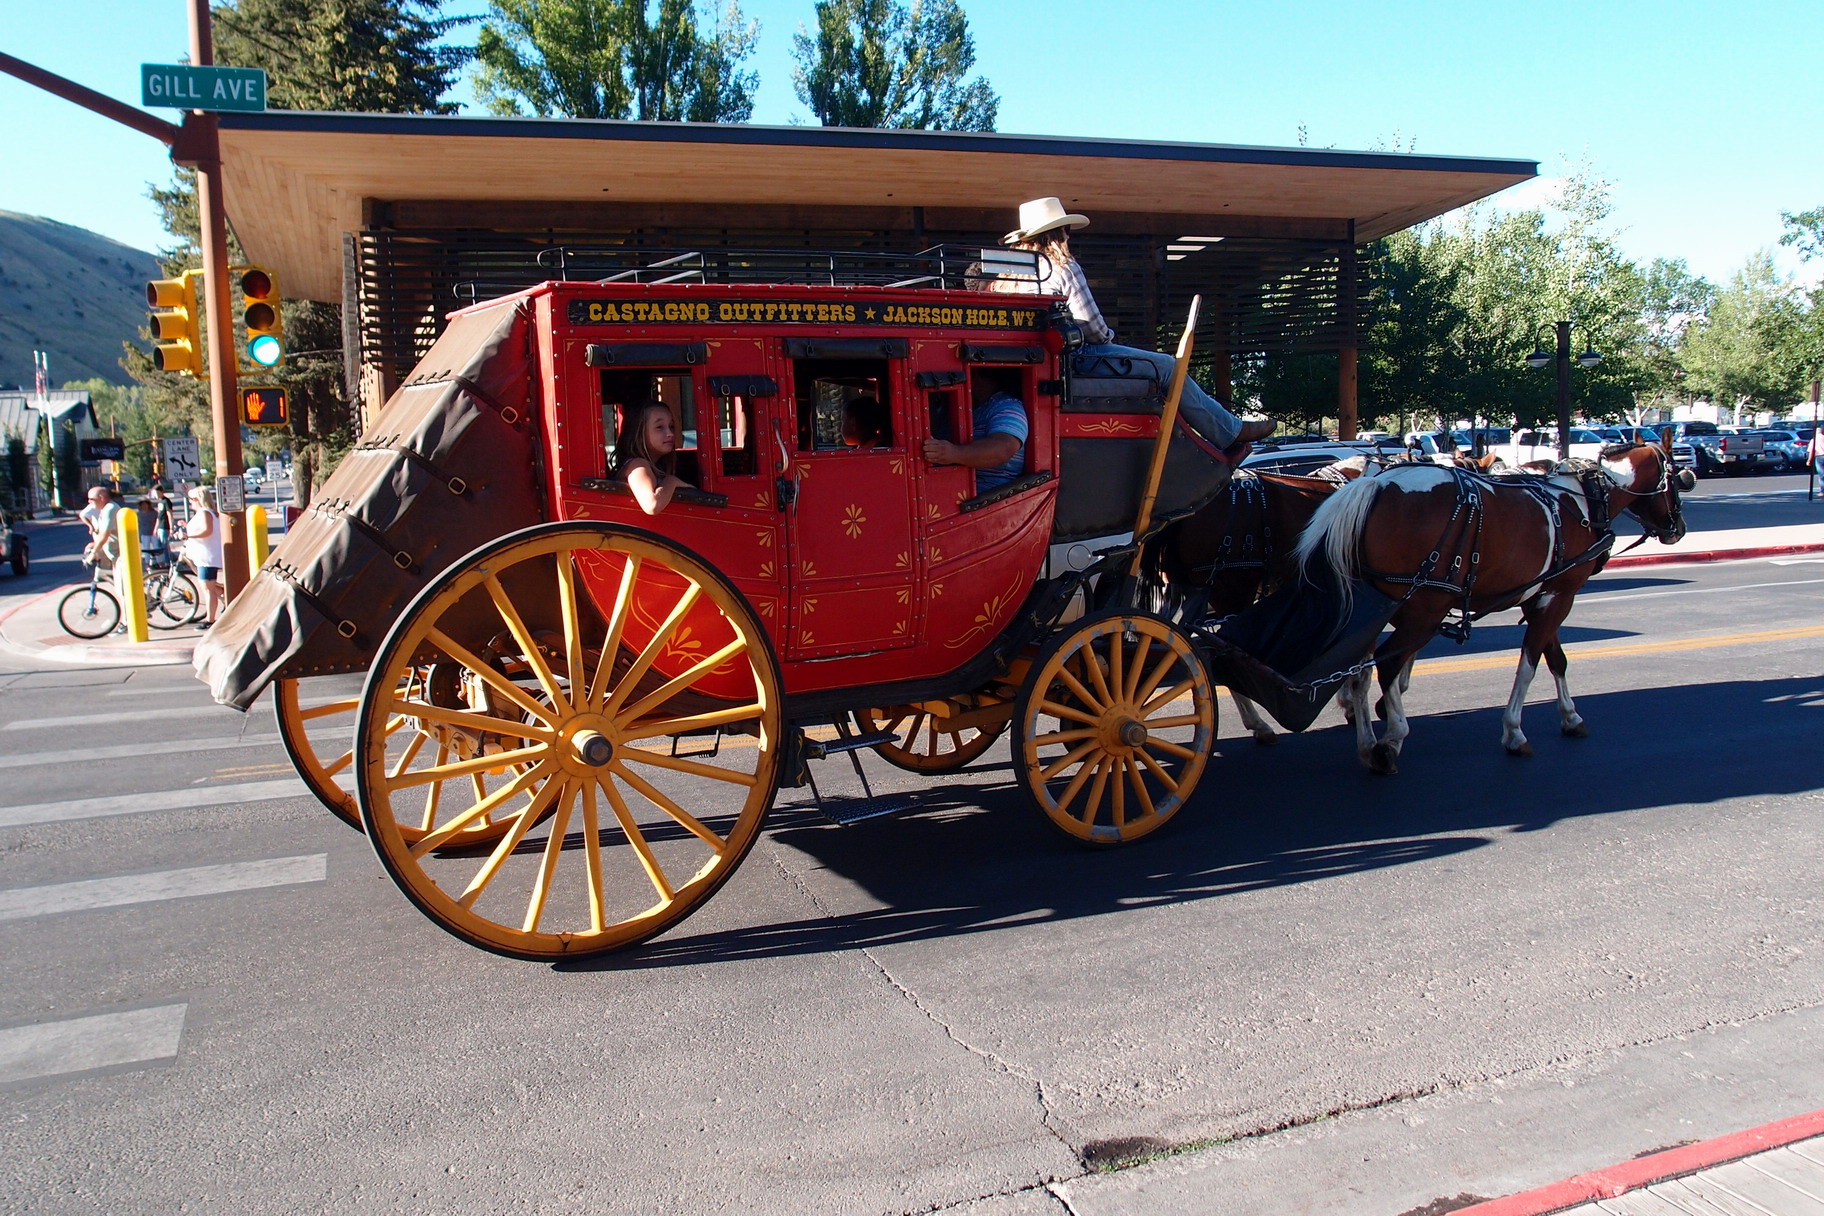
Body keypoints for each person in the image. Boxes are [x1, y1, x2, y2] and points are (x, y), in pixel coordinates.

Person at [995, 197, 1276, 456]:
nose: (1068, 236)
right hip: (1071, 368)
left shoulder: (1004, 278)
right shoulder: (1062, 268)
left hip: (1027, 371)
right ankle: (1229, 431)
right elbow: (1095, 331)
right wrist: (1109, 339)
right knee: (1168, 367)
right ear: (1058, 235)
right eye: (1065, 230)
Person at [923, 377, 1027, 492]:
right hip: (947, 490)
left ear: (974, 375)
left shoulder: (1007, 406)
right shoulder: (953, 408)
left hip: (990, 498)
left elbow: (1004, 448)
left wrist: (953, 453)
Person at [614, 400, 690, 515]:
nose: (670, 433)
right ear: (639, 432)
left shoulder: (652, 465)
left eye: (671, 426)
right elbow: (651, 505)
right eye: (659, 427)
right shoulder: (637, 465)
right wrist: (671, 481)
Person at [181, 485, 226, 629]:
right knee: (211, 587)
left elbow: (207, 530)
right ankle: (227, 604)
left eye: (192, 499)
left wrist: (189, 535)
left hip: (206, 557)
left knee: (208, 589)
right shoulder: (208, 513)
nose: (190, 503)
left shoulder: (205, 513)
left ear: (198, 499)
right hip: (205, 555)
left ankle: (210, 619)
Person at [78, 486, 120, 573]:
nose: (89, 501)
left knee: (123, 584)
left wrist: (93, 552)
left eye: (91, 499)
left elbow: (105, 535)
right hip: (114, 555)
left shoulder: (110, 508)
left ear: (101, 498)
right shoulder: (105, 509)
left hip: (120, 556)